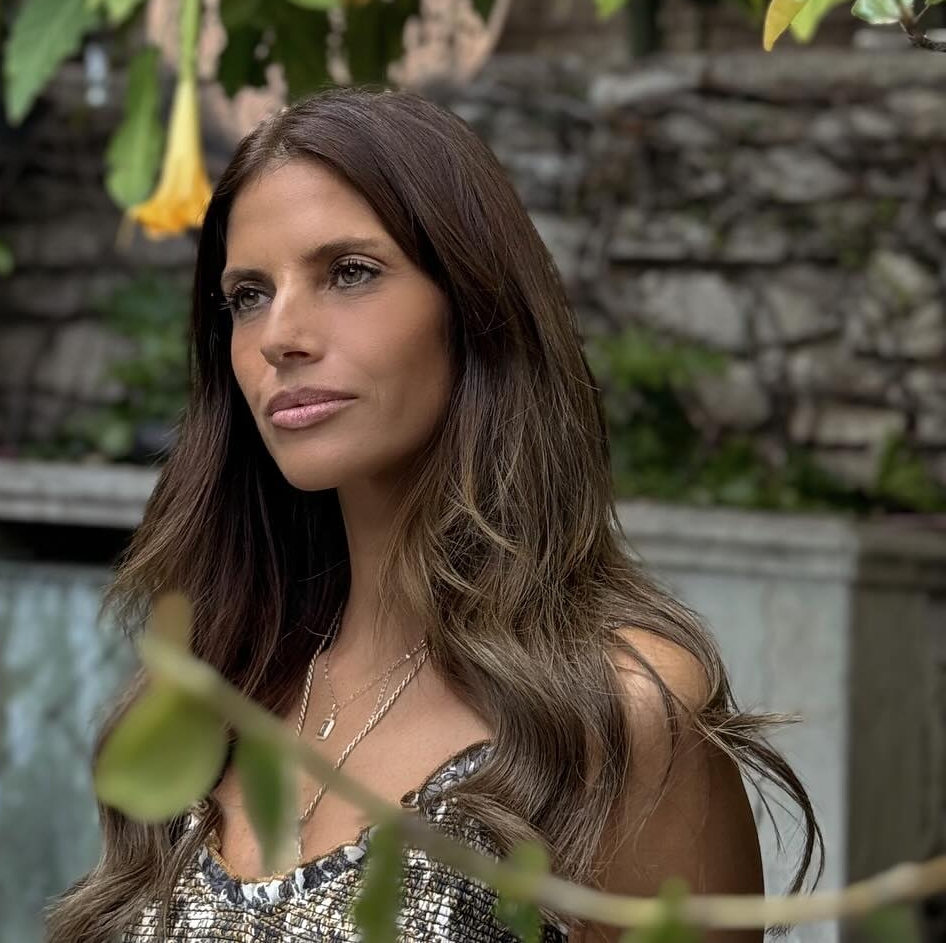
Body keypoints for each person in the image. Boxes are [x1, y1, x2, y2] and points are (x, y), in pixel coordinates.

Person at [43, 84, 822, 943]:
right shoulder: (219, 681)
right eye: (248, 295)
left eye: (350, 271)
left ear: (474, 308)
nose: (279, 336)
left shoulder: (617, 713)